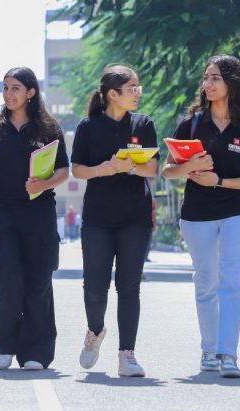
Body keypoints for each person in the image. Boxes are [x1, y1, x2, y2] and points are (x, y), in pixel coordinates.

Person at [162, 55, 240, 378]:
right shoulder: (191, 124)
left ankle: (228, 354)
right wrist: (191, 166)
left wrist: (219, 180)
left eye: (215, 78)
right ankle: (209, 349)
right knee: (206, 281)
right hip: (197, 214)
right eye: (206, 78)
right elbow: (168, 171)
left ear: (231, 83)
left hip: (236, 212)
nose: (208, 84)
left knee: (231, 280)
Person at [0, 67, 68, 370]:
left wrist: (44, 184)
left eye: (15, 88)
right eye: (5, 88)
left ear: (31, 92)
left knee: (39, 280)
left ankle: (36, 351)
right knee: (7, 277)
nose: (8, 94)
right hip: (3, 214)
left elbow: (63, 171)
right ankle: (4, 344)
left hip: (39, 213)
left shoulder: (49, 128)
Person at [70, 64, 158, 377]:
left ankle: (126, 355)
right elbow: (77, 169)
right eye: (132, 88)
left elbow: (153, 168)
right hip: (98, 218)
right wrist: (103, 170)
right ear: (112, 94)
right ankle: (95, 331)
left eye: (138, 87)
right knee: (95, 285)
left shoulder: (144, 124)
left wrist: (130, 167)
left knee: (129, 286)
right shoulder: (88, 126)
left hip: (135, 217)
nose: (138, 93)